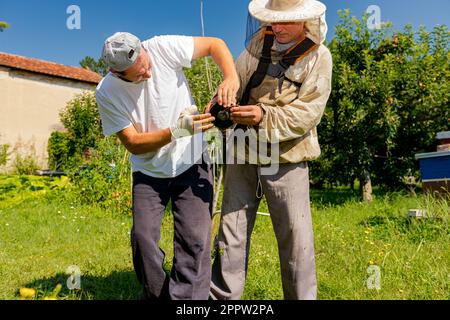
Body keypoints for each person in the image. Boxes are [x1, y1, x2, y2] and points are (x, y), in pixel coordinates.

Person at [95, 32, 239, 300]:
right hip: (148, 170)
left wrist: (231, 77)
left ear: (143, 51)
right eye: (138, 74)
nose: (147, 74)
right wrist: (175, 131)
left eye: (146, 65)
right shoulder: (107, 92)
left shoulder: (161, 47)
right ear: (117, 73)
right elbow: (134, 143)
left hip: (191, 158)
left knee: (194, 240)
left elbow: (215, 44)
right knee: (143, 239)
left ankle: (187, 301)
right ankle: (159, 295)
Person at [210, 0, 332, 300]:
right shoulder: (258, 43)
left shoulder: (319, 57)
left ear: (305, 21)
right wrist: (221, 97)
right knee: (231, 230)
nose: (276, 28)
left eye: (284, 22)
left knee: (295, 237)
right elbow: (235, 81)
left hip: (287, 156)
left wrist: (263, 116)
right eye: (273, 20)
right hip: (242, 150)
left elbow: (308, 114)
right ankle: (222, 299)